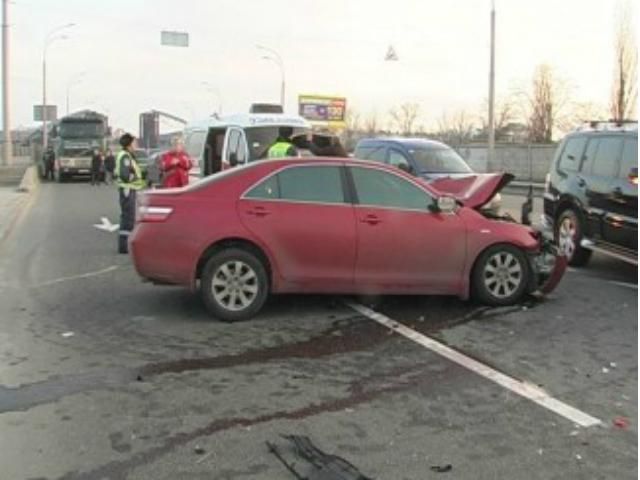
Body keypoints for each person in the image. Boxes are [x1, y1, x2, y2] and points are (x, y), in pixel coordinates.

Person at [114, 133, 146, 254]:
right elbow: (125, 175)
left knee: (128, 216)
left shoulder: (128, 155)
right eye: (134, 142)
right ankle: (124, 246)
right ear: (129, 144)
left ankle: (126, 245)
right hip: (128, 190)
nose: (136, 144)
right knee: (128, 218)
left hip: (130, 189)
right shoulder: (125, 157)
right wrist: (134, 178)